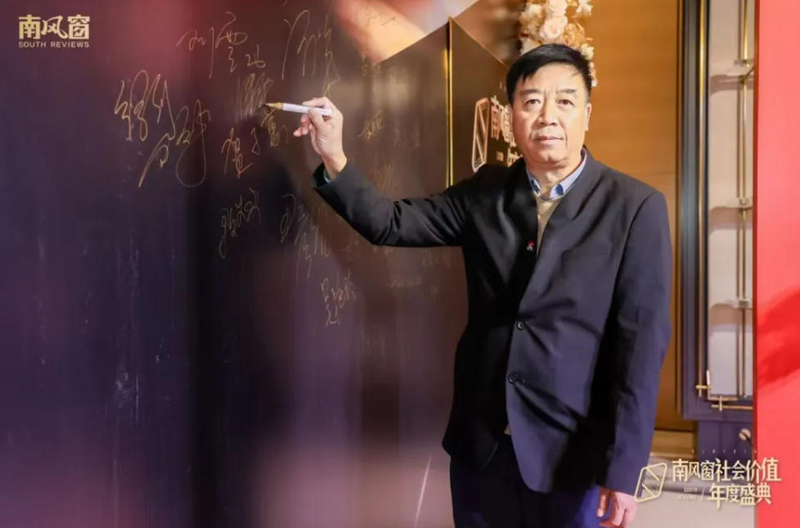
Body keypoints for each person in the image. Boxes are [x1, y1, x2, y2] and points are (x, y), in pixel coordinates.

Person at [293, 44, 672, 528]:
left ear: (587, 114)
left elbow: (640, 348)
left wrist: (624, 469)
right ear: (511, 116)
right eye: (531, 101)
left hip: (573, 451)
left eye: (565, 101)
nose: (548, 116)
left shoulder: (633, 206)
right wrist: (334, 156)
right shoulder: (486, 191)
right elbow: (391, 223)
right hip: (484, 444)